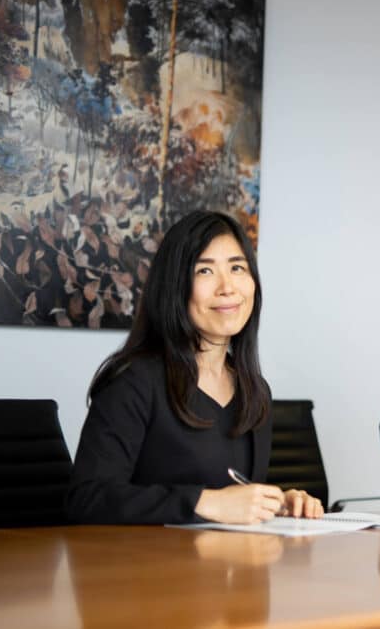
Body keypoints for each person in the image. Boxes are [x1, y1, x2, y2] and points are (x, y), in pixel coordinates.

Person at [66, 210, 323, 524]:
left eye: (238, 268)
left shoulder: (254, 390)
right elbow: (87, 499)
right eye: (205, 271)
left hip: (227, 566)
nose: (227, 287)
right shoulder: (134, 382)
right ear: (175, 286)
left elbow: (233, 495)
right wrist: (203, 502)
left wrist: (274, 502)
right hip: (148, 568)